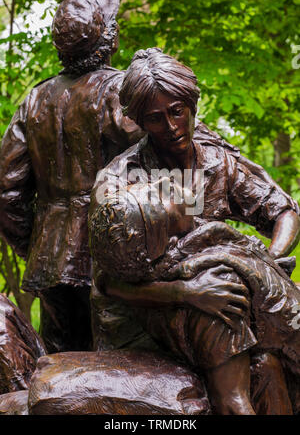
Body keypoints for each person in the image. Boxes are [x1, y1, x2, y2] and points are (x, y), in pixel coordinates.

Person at [89, 47, 300, 414]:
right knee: (232, 326)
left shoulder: (216, 160)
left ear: (191, 105)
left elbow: (282, 210)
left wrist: (270, 260)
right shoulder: (120, 181)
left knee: (267, 366)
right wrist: (186, 292)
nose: (171, 127)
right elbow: (107, 283)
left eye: (177, 112)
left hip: (217, 296)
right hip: (147, 313)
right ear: (138, 120)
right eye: (156, 119)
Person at [0, 0, 143, 353]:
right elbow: (169, 162)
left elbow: (7, 191)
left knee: (59, 372)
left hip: (50, 261)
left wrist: (34, 244)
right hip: (111, 257)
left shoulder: (35, 100)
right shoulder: (118, 92)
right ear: (110, 40)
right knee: (117, 377)